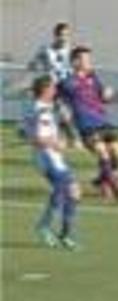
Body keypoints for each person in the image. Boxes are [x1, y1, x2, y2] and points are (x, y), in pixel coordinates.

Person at [57, 46, 118, 204]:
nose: (89, 62)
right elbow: (58, 101)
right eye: (85, 59)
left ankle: (101, 180)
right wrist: (64, 119)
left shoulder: (93, 77)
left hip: (104, 122)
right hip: (87, 125)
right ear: (75, 62)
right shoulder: (67, 82)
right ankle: (117, 193)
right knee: (103, 154)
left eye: (89, 59)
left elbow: (103, 97)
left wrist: (108, 95)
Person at [23, 75, 81, 250]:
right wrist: (53, 143)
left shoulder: (51, 107)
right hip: (44, 156)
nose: (55, 90)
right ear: (45, 90)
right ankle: (44, 226)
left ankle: (65, 235)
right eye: (53, 88)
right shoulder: (35, 109)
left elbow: (52, 131)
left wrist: (62, 140)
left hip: (56, 156)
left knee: (75, 192)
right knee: (61, 188)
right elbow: (34, 137)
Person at [24, 22, 79, 147]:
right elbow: (33, 63)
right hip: (52, 86)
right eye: (61, 35)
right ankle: (72, 138)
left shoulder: (71, 50)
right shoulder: (46, 49)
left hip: (68, 85)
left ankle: (64, 138)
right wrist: (32, 67)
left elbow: (76, 66)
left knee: (65, 114)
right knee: (61, 111)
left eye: (66, 35)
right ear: (55, 35)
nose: (64, 38)